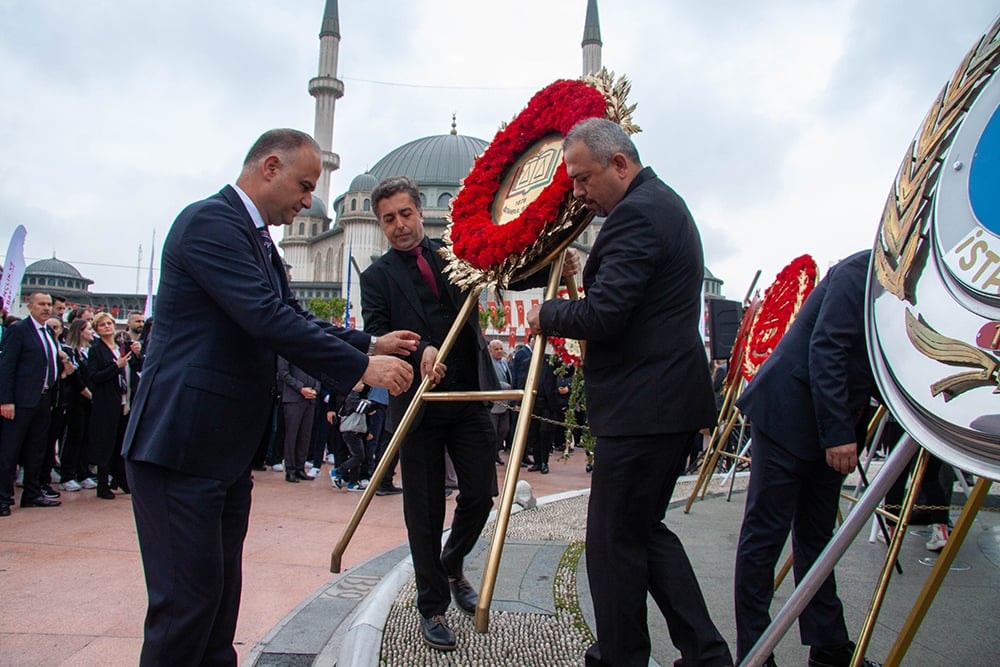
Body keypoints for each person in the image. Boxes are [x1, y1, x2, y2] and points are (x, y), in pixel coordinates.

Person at [121, 128, 418, 666]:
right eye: (305, 186)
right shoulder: (210, 223)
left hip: (220, 452)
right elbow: (265, 317)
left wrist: (369, 340)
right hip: (181, 445)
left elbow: (295, 316)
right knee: (184, 611)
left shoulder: (253, 238)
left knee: (215, 605)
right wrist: (361, 367)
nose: (309, 201)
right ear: (270, 167)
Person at [528, 117, 733, 667]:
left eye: (582, 178)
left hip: (646, 407)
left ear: (620, 164)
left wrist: (547, 313)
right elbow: (628, 302)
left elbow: (606, 314)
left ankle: (620, 656)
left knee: (613, 544)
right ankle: (706, 654)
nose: (578, 192)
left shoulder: (636, 215)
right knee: (642, 532)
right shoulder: (660, 205)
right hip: (660, 403)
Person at [361, 176, 579, 651]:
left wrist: (555, 271)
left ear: (421, 212)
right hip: (416, 406)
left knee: (480, 495)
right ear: (380, 225)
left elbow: (505, 275)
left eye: (405, 214)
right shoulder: (375, 278)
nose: (399, 225)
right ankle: (432, 605)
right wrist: (417, 348)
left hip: (468, 398)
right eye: (388, 219)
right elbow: (378, 333)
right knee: (422, 509)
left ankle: (452, 560)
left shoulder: (455, 253)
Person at [732, 250, 880, 667]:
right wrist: (839, 435)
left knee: (817, 540)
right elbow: (828, 347)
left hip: (830, 423)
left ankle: (830, 648)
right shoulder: (860, 271)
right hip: (788, 416)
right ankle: (756, 653)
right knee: (764, 538)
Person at [0, 292, 67, 514]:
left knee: (37, 449)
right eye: (41, 304)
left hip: (43, 399)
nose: (47, 308)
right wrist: (6, 400)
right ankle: (3, 498)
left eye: (49, 304)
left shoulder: (48, 331)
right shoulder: (18, 331)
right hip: (20, 401)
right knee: (10, 450)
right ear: (30, 306)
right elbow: (7, 367)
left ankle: (32, 492)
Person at [87, 312, 131, 499]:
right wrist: (115, 366)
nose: (107, 327)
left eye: (109, 323)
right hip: (106, 402)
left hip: (123, 400)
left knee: (121, 441)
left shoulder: (121, 347)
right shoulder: (96, 349)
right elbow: (94, 376)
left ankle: (120, 478)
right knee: (106, 442)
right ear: (97, 329)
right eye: (102, 324)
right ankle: (102, 484)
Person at [277, 356, 320, 483]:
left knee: (305, 435)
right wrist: (301, 388)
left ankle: (300, 467)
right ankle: (290, 469)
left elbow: (318, 371)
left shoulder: (311, 349)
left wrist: (316, 389)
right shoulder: (286, 348)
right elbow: (283, 373)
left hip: (310, 398)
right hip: (293, 397)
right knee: (292, 435)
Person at [488, 340, 512, 463]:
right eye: (496, 349)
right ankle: (492, 455)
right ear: (491, 351)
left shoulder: (504, 362)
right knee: (493, 430)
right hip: (494, 403)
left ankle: (497, 451)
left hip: (506, 402)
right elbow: (491, 379)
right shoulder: (488, 363)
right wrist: (505, 386)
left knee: (504, 429)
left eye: (501, 348)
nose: (499, 351)